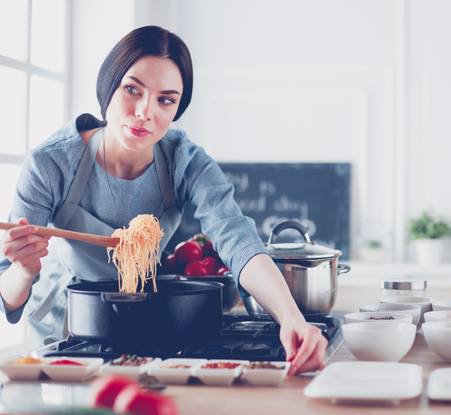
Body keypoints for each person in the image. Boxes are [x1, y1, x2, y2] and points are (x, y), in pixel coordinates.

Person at [0, 26, 326, 375]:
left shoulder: (185, 163)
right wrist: (23, 268)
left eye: (165, 100)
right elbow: (8, 294)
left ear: (177, 109)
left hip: (144, 329)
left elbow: (239, 241)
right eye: (132, 90)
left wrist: (291, 318)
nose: (145, 112)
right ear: (108, 86)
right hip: (61, 337)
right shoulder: (51, 162)